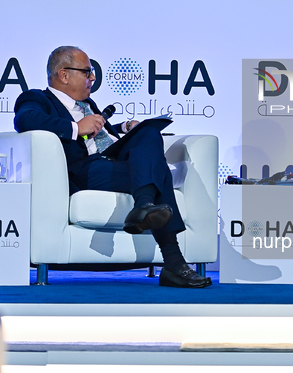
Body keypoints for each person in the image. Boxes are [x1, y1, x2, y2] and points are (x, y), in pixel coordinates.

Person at [13, 46, 212, 288]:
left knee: (148, 131)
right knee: (158, 171)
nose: (93, 78)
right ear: (64, 75)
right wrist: (77, 128)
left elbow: (99, 138)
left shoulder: (88, 104)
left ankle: (144, 205)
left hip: (111, 161)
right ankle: (173, 262)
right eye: (87, 72)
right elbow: (26, 119)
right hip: (83, 170)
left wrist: (123, 128)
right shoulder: (37, 98)